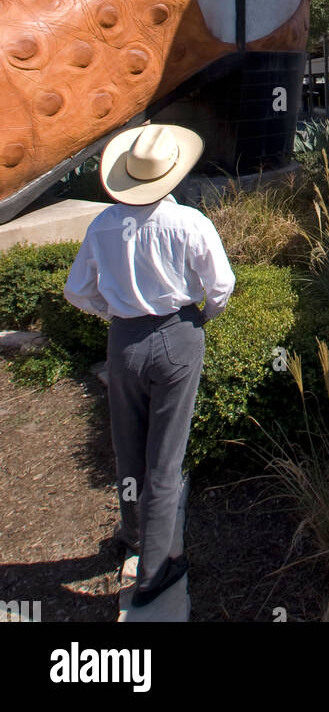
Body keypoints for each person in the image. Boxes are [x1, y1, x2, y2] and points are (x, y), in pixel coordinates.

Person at [64, 123, 235, 608]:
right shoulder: (190, 222)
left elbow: (76, 290)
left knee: (128, 442)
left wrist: (113, 313)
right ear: (171, 174)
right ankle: (154, 572)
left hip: (124, 340)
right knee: (166, 455)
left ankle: (135, 534)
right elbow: (221, 285)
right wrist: (203, 315)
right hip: (178, 335)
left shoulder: (102, 225)